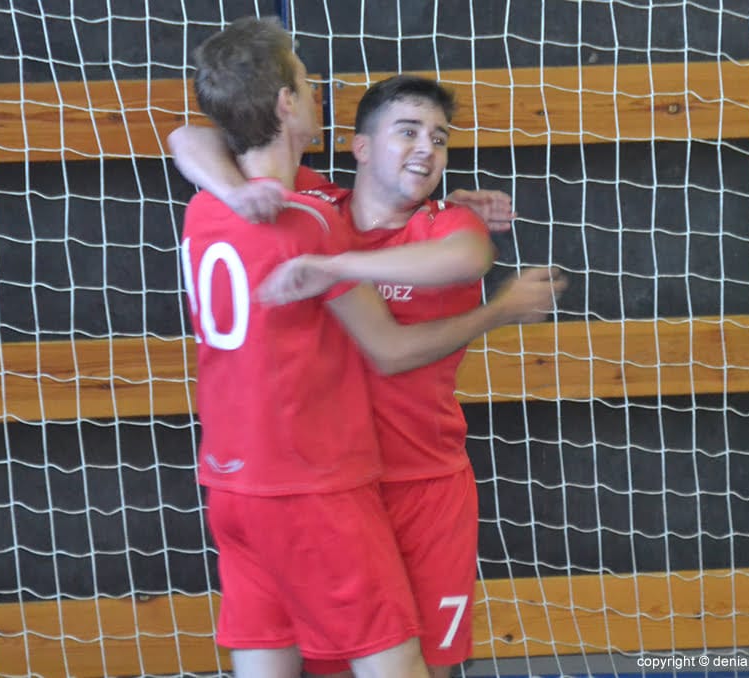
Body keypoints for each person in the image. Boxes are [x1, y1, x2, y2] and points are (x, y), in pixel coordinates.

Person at [180, 17, 565, 678]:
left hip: (403, 485)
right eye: (408, 132)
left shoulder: (438, 220)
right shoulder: (311, 209)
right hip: (322, 486)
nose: (427, 149)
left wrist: (335, 265)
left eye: (439, 138)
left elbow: (470, 255)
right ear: (357, 147)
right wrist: (497, 313)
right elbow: (189, 135)